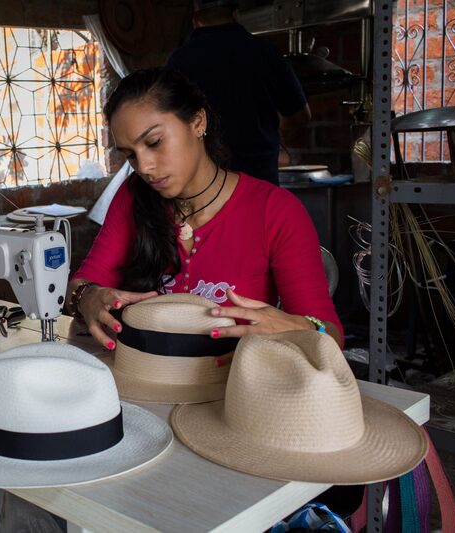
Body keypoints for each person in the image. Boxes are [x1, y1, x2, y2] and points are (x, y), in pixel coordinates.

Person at [66, 67, 342, 350]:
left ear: (198, 122)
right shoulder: (133, 197)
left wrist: (298, 327)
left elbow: (331, 334)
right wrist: (87, 297)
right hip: (146, 381)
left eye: (154, 142)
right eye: (130, 155)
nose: (145, 167)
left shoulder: (275, 211)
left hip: (235, 386)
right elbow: (81, 285)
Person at [166, 0, 310, 185]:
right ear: (235, 13)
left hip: (204, 189)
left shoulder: (179, 61)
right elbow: (301, 116)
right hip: (259, 183)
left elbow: (169, 124)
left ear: (195, 19)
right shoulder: (265, 53)